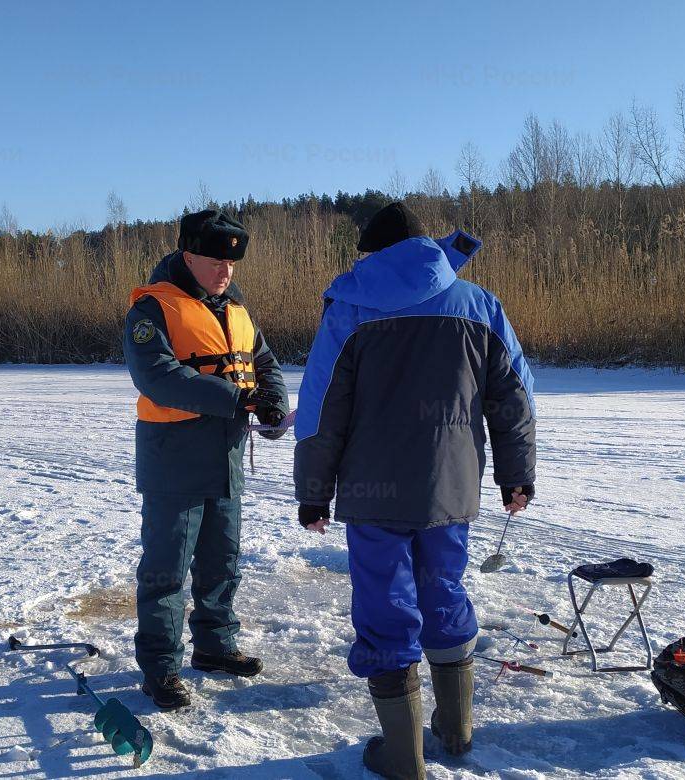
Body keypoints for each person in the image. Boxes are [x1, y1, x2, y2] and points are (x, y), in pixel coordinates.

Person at [293, 202, 536, 778]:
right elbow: (514, 398)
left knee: (385, 606)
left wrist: (313, 491)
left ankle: (403, 756)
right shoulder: (479, 305)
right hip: (450, 490)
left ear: (372, 254)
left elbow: (321, 408)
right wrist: (516, 473)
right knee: (444, 592)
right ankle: (455, 731)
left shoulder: (351, 310)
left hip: (373, 495)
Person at [124, 209, 289, 709]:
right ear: (188, 254)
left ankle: (215, 648)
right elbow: (158, 377)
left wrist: (273, 400)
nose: (227, 270)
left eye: (232, 262)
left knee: (222, 562)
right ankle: (159, 668)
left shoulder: (235, 309)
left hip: (226, 459)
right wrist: (236, 401)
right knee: (166, 570)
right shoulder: (152, 310)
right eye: (217, 260)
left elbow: (264, 362)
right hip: (173, 462)